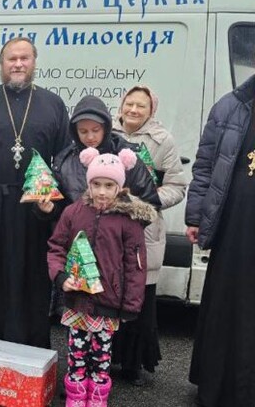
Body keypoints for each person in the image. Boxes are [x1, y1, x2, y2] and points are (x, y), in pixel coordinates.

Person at [0, 37, 70, 361]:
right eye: (11, 59)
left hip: (34, 209)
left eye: (24, 58)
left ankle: (30, 351)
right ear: (1, 63)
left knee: (30, 280)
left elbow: (63, 161)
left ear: (34, 61)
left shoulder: (53, 105)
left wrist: (52, 205)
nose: (17, 64)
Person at [48, 148, 153, 406]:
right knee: (76, 352)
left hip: (108, 303)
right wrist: (61, 277)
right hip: (77, 299)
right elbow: (57, 247)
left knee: (102, 354)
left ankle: (97, 396)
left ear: (119, 186)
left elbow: (135, 265)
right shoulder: (74, 212)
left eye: (109, 185)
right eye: (97, 184)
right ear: (89, 183)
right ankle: (75, 394)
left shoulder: (128, 220)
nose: (102, 191)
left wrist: (130, 304)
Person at [186, 72, 255, 406]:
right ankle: (215, 385)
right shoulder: (230, 106)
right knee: (226, 304)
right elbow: (205, 166)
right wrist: (196, 216)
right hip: (234, 225)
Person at [110, 86, 186, 385]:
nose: (133, 110)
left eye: (141, 106)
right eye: (129, 103)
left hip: (145, 227)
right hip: (111, 224)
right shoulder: (108, 133)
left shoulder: (162, 140)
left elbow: (177, 187)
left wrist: (148, 200)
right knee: (109, 293)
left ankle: (133, 364)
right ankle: (106, 357)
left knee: (139, 298)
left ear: (151, 110)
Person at [52, 95, 161, 209]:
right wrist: (50, 209)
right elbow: (58, 209)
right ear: (75, 132)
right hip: (77, 226)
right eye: (83, 131)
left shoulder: (127, 157)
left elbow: (150, 203)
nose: (90, 137)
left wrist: (122, 222)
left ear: (106, 128)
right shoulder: (64, 161)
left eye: (96, 130)